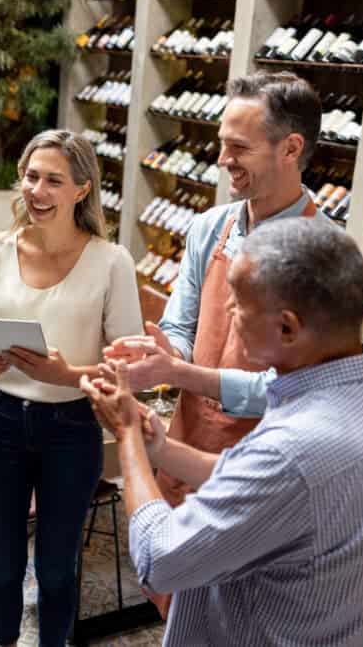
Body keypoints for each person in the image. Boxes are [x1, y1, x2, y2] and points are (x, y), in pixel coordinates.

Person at [82, 218, 363, 646]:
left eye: (239, 303)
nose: (227, 311)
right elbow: (253, 481)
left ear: (287, 328)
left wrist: (128, 437)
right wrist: (162, 449)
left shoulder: (293, 452)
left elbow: (159, 558)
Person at [106, 70, 331, 508]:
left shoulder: (323, 256)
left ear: (291, 148)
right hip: (183, 445)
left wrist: (178, 373)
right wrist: (165, 352)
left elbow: (289, 389)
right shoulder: (211, 227)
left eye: (239, 148)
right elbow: (182, 325)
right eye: (223, 143)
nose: (223, 159)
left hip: (263, 467)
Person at [0, 130, 143, 646]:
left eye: (54, 181)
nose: (37, 191)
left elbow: (127, 368)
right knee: (2, 565)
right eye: (32, 177)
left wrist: (68, 375)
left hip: (71, 427)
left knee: (58, 569)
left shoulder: (111, 261)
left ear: (82, 189)